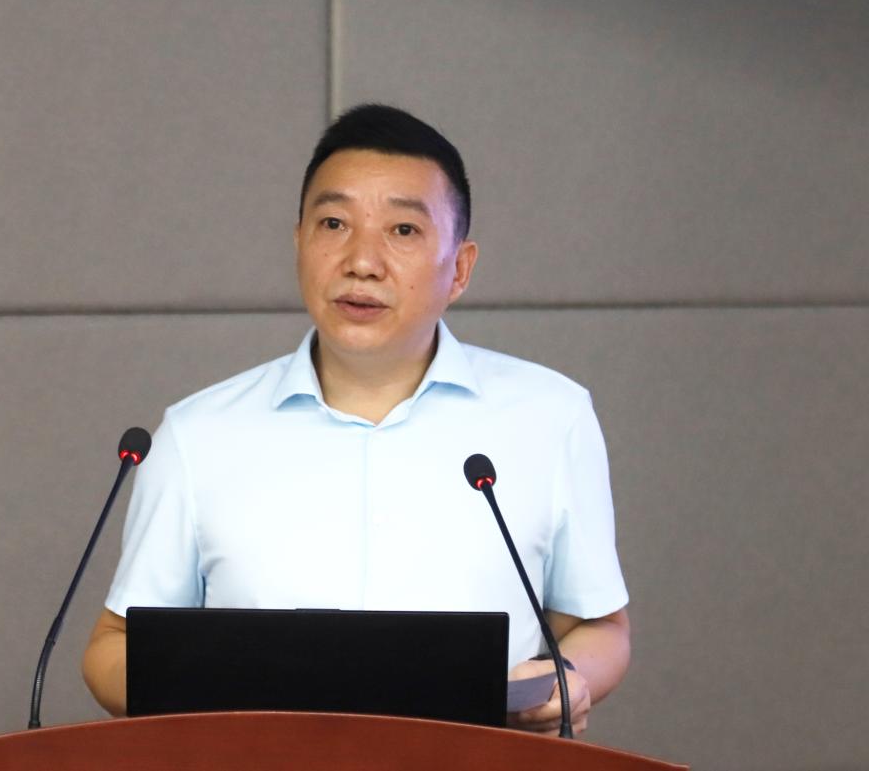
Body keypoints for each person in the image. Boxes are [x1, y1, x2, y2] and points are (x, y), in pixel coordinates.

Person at [82, 104, 630, 735]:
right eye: (335, 223)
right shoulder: (196, 435)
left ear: (459, 268)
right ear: (299, 242)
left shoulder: (551, 417)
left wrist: (567, 680)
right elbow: (111, 648)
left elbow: (598, 626)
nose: (362, 261)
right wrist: (218, 697)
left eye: (403, 230)